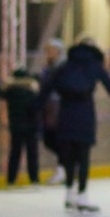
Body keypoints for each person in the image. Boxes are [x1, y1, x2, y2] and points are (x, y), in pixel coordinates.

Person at [40, 37, 110, 213]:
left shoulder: (64, 68)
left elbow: (46, 90)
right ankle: (82, 195)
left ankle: (69, 194)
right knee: (82, 157)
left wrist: (33, 108)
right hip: (84, 115)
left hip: (65, 115)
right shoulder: (94, 66)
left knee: (68, 156)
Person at [0, 67, 45, 187]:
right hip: (31, 127)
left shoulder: (11, 92)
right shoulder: (32, 92)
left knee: (15, 153)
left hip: (16, 127)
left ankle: (11, 180)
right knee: (32, 154)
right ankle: (34, 179)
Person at [38, 37, 67, 182]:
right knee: (49, 139)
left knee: (58, 138)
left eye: (51, 50)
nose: (48, 53)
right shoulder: (47, 68)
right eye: (47, 50)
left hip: (59, 107)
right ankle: (67, 163)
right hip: (48, 108)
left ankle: (63, 168)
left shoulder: (63, 67)